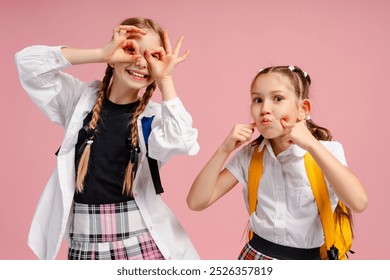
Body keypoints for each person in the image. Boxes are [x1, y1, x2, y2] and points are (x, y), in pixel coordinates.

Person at [15, 17, 200, 260]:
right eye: (131, 50)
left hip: (141, 242)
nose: (141, 62)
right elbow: (27, 64)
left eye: (152, 56)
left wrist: (165, 79)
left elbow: (184, 142)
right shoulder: (78, 100)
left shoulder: (153, 119)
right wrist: (101, 53)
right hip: (85, 244)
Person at [187, 65, 368, 260]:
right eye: (258, 100)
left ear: (303, 109)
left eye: (278, 99)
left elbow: (358, 202)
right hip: (255, 257)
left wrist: (312, 145)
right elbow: (196, 202)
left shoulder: (328, 152)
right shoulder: (250, 156)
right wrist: (224, 150)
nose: (265, 109)